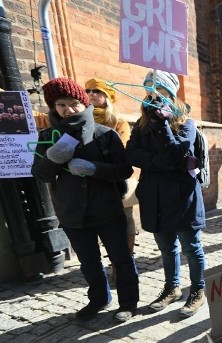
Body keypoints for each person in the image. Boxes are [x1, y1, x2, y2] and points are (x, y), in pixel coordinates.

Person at [31, 77, 139, 322]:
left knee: (121, 259)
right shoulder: (48, 136)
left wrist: (94, 168)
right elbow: (39, 173)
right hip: (71, 214)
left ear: (83, 103)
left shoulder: (105, 135)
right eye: (61, 105)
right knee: (89, 262)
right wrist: (52, 159)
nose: (68, 110)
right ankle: (99, 299)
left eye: (73, 103)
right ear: (53, 107)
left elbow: (124, 171)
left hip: (107, 211)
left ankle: (129, 303)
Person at [125, 70, 206, 318]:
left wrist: (162, 125)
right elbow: (132, 155)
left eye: (160, 91)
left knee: (191, 247)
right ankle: (171, 287)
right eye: (149, 91)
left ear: (171, 94)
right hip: (155, 197)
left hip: (182, 197)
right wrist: (161, 162)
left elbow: (177, 154)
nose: (154, 97)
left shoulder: (186, 124)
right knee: (166, 248)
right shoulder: (140, 126)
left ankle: (198, 290)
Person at [84, 77, 137, 283]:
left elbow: (123, 150)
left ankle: (124, 261)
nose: (92, 94)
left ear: (107, 96)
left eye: (97, 91)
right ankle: (112, 259)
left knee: (125, 219)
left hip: (117, 179)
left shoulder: (117, 121)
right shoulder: (82, 118)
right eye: (88, 90)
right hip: (92, 181)